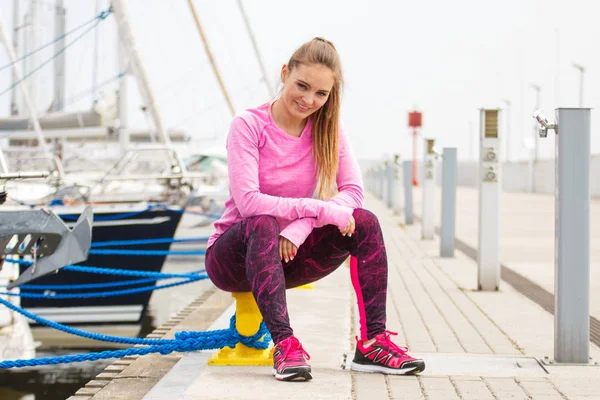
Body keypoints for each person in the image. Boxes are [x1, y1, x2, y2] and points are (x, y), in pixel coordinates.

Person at [205, 37, 425, 382]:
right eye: (302, 86)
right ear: (284, 74)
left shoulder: (330, 130)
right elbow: (248, 202)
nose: (308, 100)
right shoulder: (248, 125)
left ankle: (373, 344)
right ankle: (285, 345)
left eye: (320, 94)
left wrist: (300, 226)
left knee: (364, 222)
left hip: (288, 255)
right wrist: (315, 209)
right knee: (262, 222)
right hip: (233, 258)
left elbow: (353, 191)